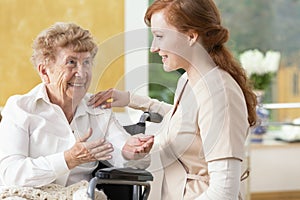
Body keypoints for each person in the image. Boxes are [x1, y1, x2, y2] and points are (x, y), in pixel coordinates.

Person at [89, 0, 258, 199]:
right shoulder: (188, 80)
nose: (153, 47)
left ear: (191, 36)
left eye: (159, 36)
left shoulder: (220, 93)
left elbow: (224, 192)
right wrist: (130, 99)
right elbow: (187, 119)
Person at [0, 22, 154, 188]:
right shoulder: (20, 108)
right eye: (71, 62)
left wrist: (131, 153)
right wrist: (68, 159)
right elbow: (10, 174)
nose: (81, 73)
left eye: (86, 62)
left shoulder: (98, 110)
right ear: (45, 71)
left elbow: (126, 158)